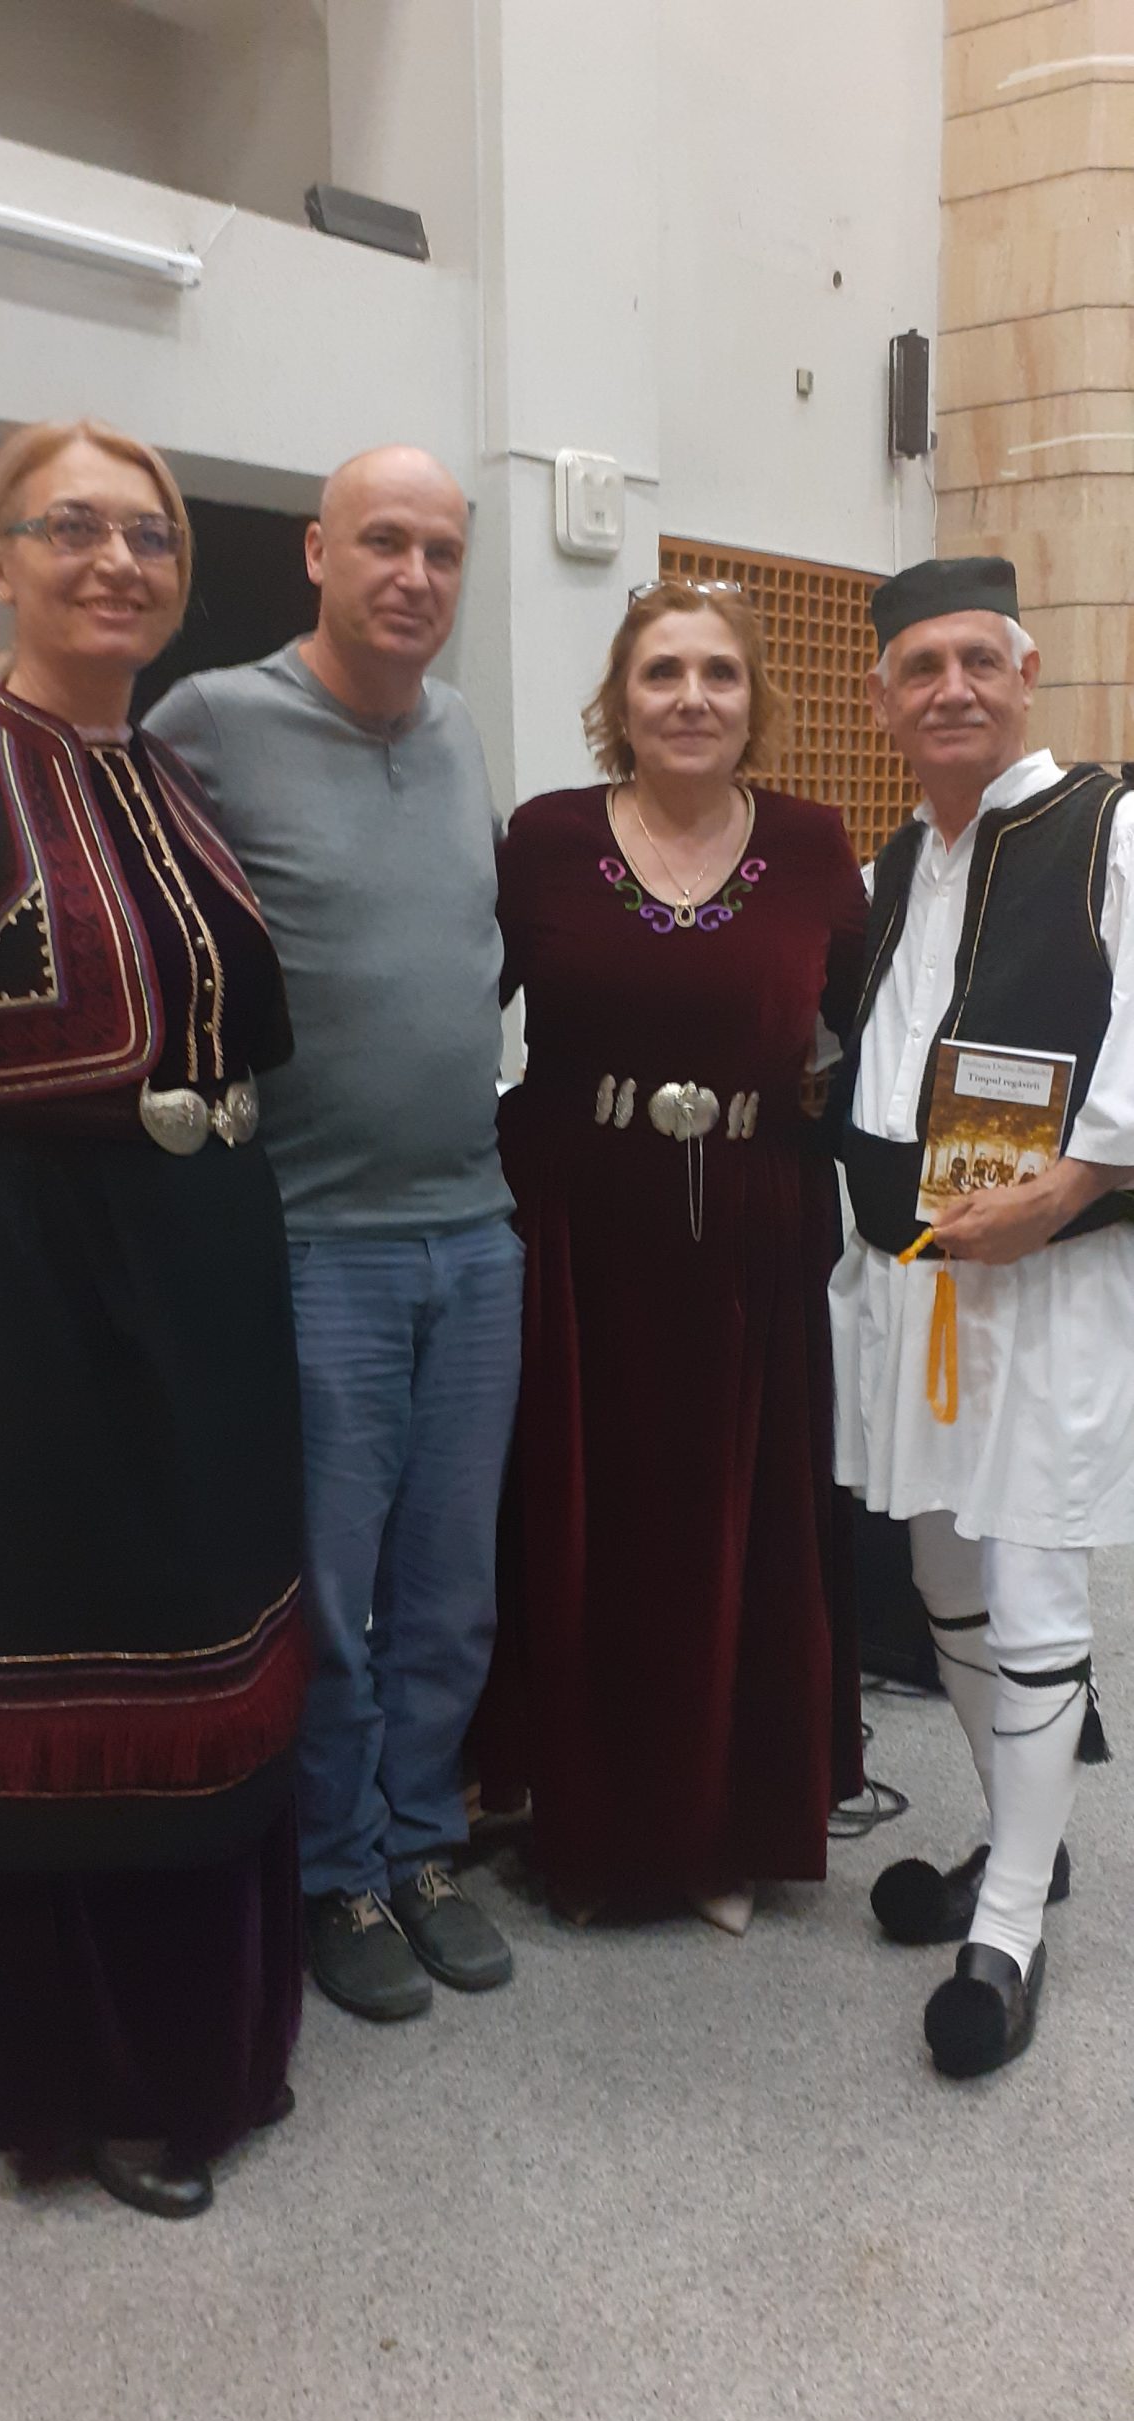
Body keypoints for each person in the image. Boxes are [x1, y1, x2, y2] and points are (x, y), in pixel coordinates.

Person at [0, 419, 306, 2217]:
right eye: (71, 527)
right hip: (32, 1284)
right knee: (74, 1653)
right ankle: (82, 2071)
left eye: (150, 535)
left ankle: (215, 2029)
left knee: (220, 1630)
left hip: (212, 1256)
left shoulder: (173, 775)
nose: (116, 561)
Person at [146, 448, 519, 2023]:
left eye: (443, 550)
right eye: (384, 542)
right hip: (318, 1241)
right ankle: (333, 1870)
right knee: (334, 1601)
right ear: (317, 551)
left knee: (450, 1591)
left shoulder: (461, 732)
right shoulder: (211, 720)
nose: (415, 576)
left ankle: (423, 1844)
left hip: (477, 1234)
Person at [482, 580, 868, 1927]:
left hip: (753, 1231)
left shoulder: (814, 846)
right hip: (576, 1230)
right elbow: (453, 1002)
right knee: (587, 1524)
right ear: (619, 699)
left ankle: (720, 1832)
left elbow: (869, 1029)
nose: (692, 698)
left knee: (735, 1528)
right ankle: (593, 1832)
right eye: (662, 673)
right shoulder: (546, 838)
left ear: (755, 700)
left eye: (719, 673)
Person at [829, 553, 1134, 2078]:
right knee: (944, 1571)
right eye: (919, 668)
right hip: (910, 1276)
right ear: (885, 700)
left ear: (1025, 672)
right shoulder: (898, 861)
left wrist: (1070, 1188)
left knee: (1029, 1581)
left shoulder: (1110, 826)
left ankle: (1006, 1925)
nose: (950, 689)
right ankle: (1025, 1842)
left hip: (1044, 1281)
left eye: (975, 661)